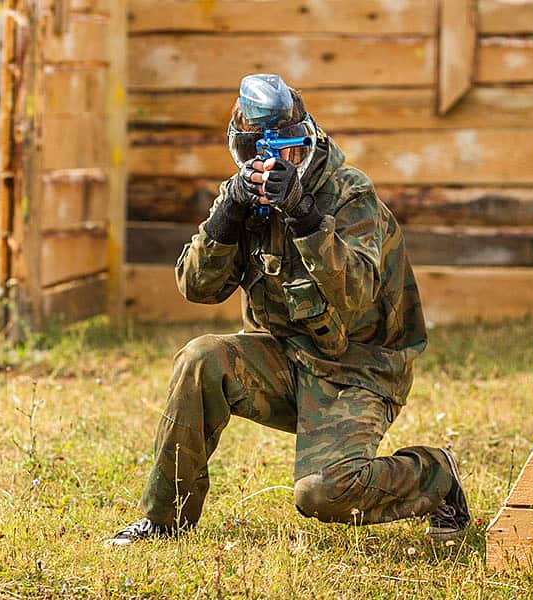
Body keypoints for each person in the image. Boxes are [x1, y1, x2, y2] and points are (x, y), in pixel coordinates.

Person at [106, 74, 470, 546]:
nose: (275, 165)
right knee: (200, 359)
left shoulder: (349, 194)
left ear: (308, 140)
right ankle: (165, 519)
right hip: (284, 360)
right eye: (258, 154)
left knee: (324, 493)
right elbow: (196, 287)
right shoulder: (242, 196)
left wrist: (304, 216)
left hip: (358, 370)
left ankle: (436, 474)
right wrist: (228, 215)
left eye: (289, 150)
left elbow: (358, 293)